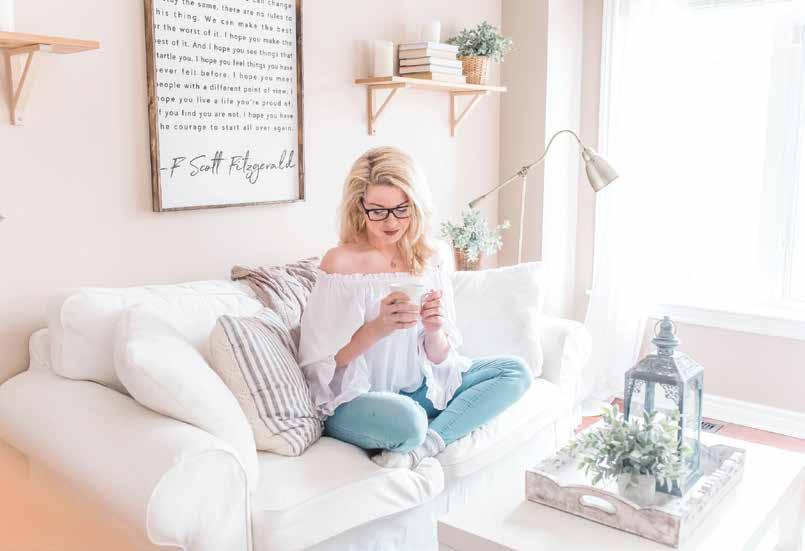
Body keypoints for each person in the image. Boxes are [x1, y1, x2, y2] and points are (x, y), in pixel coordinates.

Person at [298, 146, 531, 469]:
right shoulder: (341, 263)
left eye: (401, 208)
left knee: (514, 371)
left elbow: (441, 358)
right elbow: (318, 365)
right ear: (359, 207)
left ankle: (425, 447)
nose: (391, 221)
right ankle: (420, 430)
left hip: (418, 389)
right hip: (354, 401)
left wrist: (434, 330)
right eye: (378, 211)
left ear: (416, 205)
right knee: (409, 420)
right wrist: (376, 329)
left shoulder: (432, 257)